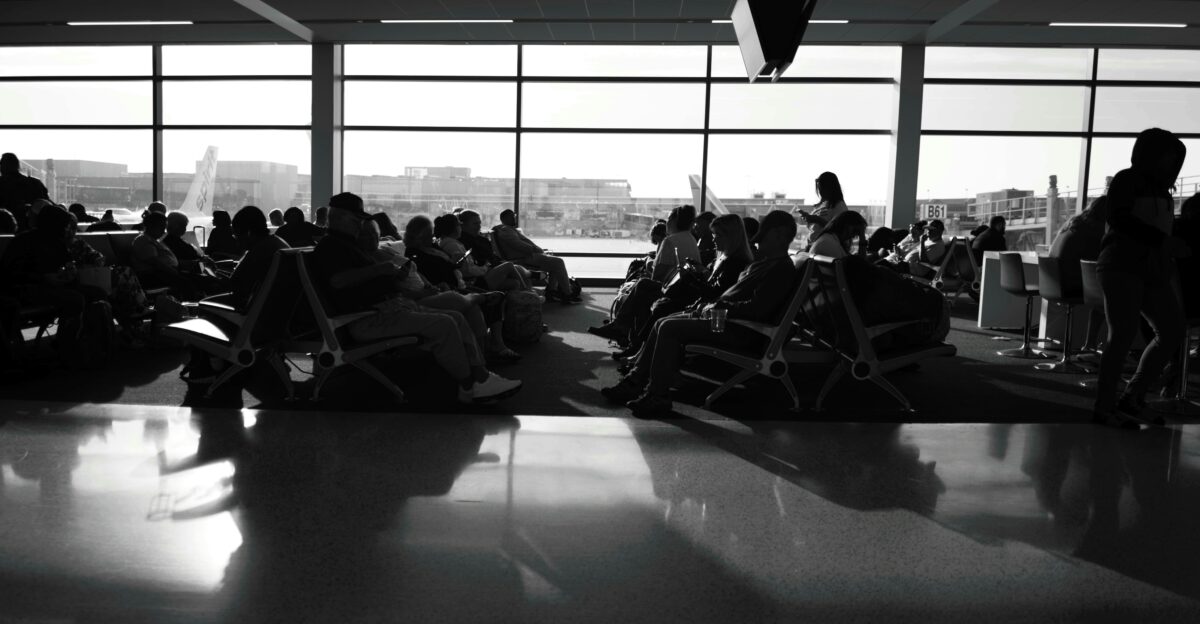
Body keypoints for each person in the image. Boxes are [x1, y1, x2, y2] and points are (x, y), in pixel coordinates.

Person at [309, 192, 520, 402]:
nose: (358, 226)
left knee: (455, 317)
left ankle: (479, 379)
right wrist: (380, 269)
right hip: (369, 318)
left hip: (389, 309)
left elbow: (355, 279)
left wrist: (389, 275)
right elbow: (338, 281)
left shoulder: (347, 245)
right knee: (445, 323)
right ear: (341, 217)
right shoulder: (331, 246)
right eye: (356, 220)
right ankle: (470, 386)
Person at [601, 210, 801, 417]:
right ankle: (636, 380)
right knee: (663, 321)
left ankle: (656, 395)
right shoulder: (766, 264)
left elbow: (758, 309)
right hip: (728, 320)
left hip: (738, 328)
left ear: (779, 235)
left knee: (668, 327)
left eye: (763, 238)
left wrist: (719, 307)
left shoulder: (780, 269)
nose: (758, 244)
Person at [1094, 128, 1189, 428]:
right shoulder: (1127, 179)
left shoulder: (1162, 191)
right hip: (1121, 265)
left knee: (1172, 330)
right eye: (1168, 155)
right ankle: (1106, 406)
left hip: (1151, 269)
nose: (1172, 162)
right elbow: (1118, 218)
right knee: (1121, 336)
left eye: (1175, 157)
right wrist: (1163, 242)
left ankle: (1132, 397)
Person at [365, 218, 520, 363]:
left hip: (442, 287)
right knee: (471, 305)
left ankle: (488, 350)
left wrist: (431, 285)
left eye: (375, 234)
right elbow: (401, 285)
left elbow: (418, 275)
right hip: (425, 295)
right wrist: (429, 287)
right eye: (428, 233)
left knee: (496, 293)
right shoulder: (412, 254)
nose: (432, 235)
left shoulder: (401, 253)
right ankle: (484, 354)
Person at [615, 213, 757, 360]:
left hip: (710, 312)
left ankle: (637, 353)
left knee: (660, 311)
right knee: (658, 306)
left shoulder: (734, 263)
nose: (713, 238)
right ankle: (639, 356)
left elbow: (714, 292)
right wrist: (699, 272)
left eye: (717, 235)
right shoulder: (727, 258)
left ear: (730, 237)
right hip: (705, 306)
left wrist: (691, 278)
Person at [588, 206, 701, 344]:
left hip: (672, 291)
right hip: (685, 291)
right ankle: (625, 331)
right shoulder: (691, 239)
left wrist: (650, 263)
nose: (667, 222)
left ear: (674, 220)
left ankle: (620, 326)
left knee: (642, 285)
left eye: (669, 218)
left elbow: (657, 276)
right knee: (641, 289)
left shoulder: (670, 241)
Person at [0, 205, 103, 355]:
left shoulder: (50, 241)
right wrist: (44, 278)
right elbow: (12, 274)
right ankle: (68, 344)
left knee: (96, 293)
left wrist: (69, 274)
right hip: (26, 289)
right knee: (76, 299)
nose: (66, 229)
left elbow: (65, 265)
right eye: (64, 225)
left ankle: (76, 340)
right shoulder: (25, 242)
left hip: (49, 287)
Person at [491, 209, 578, 304]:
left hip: (525, 256)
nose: (514, 219)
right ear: (505, 219)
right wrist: (534, 249)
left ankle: (552, 292)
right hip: (524, 258)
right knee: (558, 262)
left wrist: (536, 250)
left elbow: (517, 244)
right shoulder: (505, 230)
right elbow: (517, 244)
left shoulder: (506, 229)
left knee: (555, 263)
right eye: (512, 217)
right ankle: (567, 294)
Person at [435, 214, 529, 293]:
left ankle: (521, 303)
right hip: (474, 280)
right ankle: (528, 293)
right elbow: (467, 270)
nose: (479, 226)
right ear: (455, 228)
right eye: (459, 226)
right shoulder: (453, 245)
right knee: (509, 265)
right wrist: (485, 268)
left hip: (475, 277)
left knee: (514, 283)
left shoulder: (453, 243)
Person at [131, 212, 214, 300]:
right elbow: (155, 262)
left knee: (199, 279)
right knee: (187, 283)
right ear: (152, 226)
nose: (164, 231)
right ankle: (191, 307)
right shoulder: (144, 241)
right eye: (162, 228)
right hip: (153, 275)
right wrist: (175, 272)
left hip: (164, 272)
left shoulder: (155, 240)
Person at [229, 206, 289, 311]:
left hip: (251, 312)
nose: (237, 242)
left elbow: (234, 285)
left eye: (237, 235)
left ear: (248, 233)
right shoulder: (277, 244)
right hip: (274, 309)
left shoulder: (258, 252)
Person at [0, 152, 50, 231]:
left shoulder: (2, 185)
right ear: (18, 166)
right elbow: (47, 206)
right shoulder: (35, 184)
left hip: (4, 227)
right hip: (32, 229)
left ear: (2, 167)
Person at [796, 171, 848, 244]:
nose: (820, 192)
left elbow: (840, 231)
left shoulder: (839, 206)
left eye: (822, 188)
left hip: (827, 251)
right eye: (819, 188)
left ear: (831, 187)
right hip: (814, 247)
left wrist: (817, 220)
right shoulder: (822, 205)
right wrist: (809, 219)